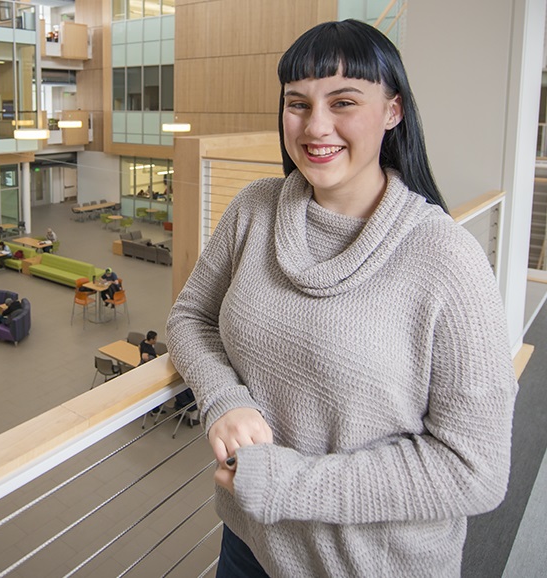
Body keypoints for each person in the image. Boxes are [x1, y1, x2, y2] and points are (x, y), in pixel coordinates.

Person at [166, 19, 518, 578]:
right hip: (249, 542)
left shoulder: (447, 260)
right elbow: (190, 317)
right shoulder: (255, 209)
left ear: (393, 111)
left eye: (344, 101)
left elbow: (472, 469)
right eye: (297, 103)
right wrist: (222, 397)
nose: (315, 126)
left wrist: (287, 485)